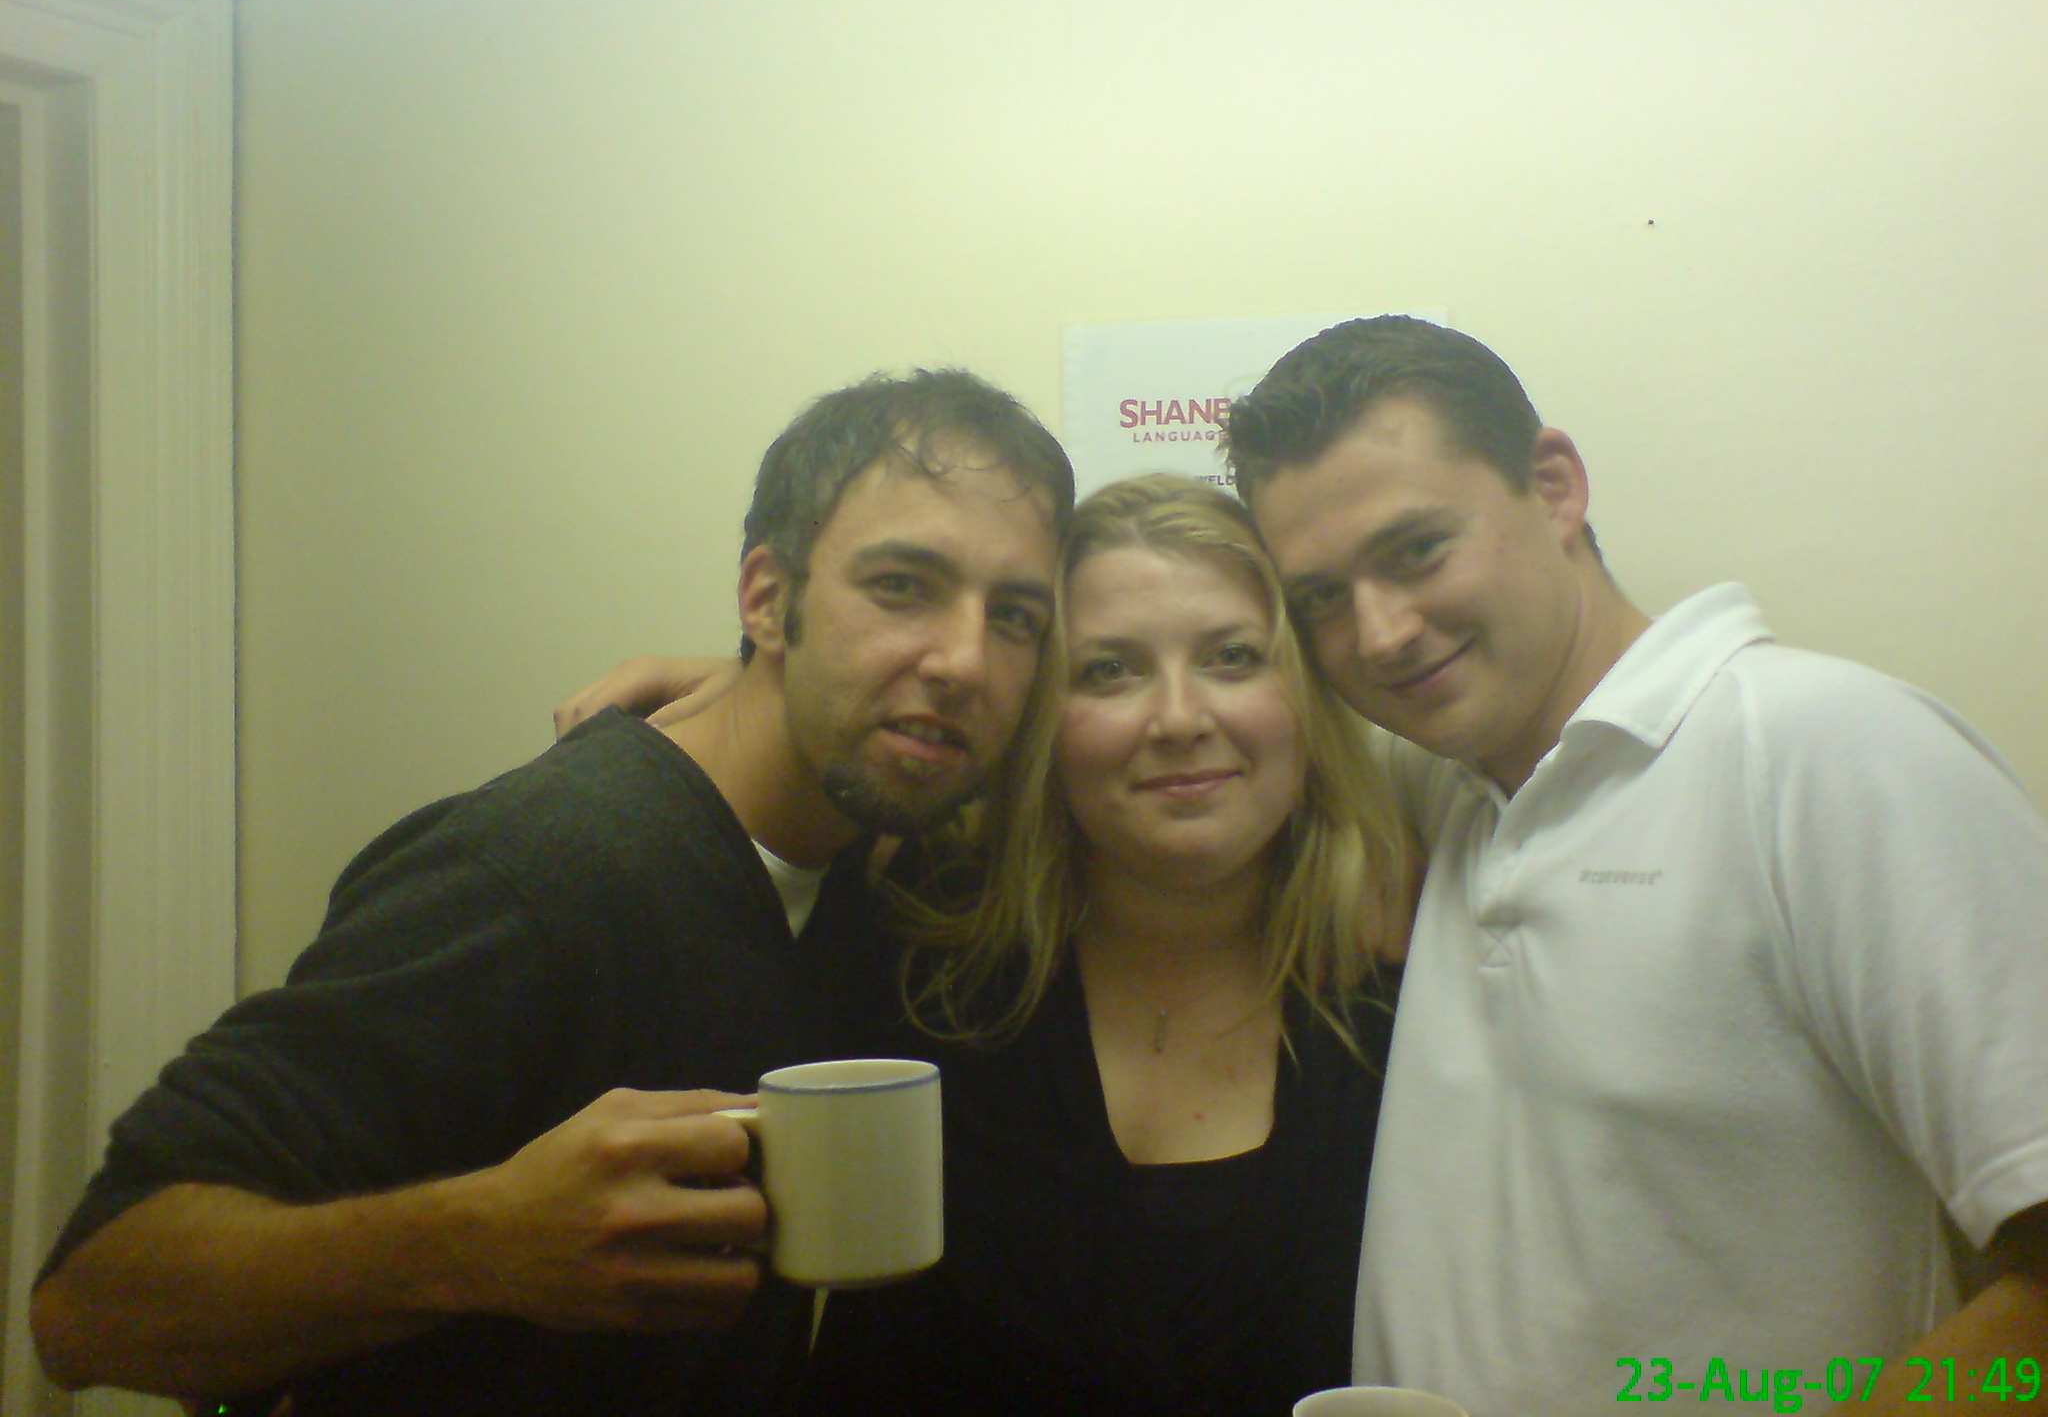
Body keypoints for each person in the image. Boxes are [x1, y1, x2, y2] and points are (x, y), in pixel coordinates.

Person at [29, 368, 1073, 1416]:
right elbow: (91, 1302)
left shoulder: (875, 857)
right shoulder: (543, 872)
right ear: (766, 596)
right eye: (901, 586)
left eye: (1016, 616)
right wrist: (476, 1243)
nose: (964, 660)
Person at [1220, 315, 2048, 1417]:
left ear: (1554, 487)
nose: (1378, 635)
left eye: (1416, 550)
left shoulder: (1824, 751)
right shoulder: (1442, 787)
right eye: (1321, 598)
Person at [569, 473, 1413, 1416]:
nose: (1180, 720)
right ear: (1037, 723)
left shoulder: (1408, 984)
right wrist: (738, 680)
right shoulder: (912, 936)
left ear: (1304, 698)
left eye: (1232, 657)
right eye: (1109, 671)